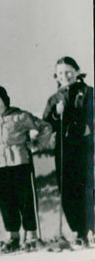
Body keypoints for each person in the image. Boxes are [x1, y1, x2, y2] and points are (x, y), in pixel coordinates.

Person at [0, 85, 53, 252]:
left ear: (5, 101)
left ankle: (31, 235)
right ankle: (13, 236)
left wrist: (38, 144)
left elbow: (45, 127)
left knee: (25, 199)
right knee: (6, 201)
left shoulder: (20, 116)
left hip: (20, 162)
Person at [42, 56, 94, 246]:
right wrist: (56, 113)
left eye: (68, 71)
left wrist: (89, 128)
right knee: (68, 189)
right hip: (64, 148)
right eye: (61, 73)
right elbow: (46, 125)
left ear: (78, 71)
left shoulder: (88, 92)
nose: (65, 76)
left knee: (88, 186)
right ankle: (79, 231)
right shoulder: (54, 98)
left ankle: (92, 229)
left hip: (87, 145)